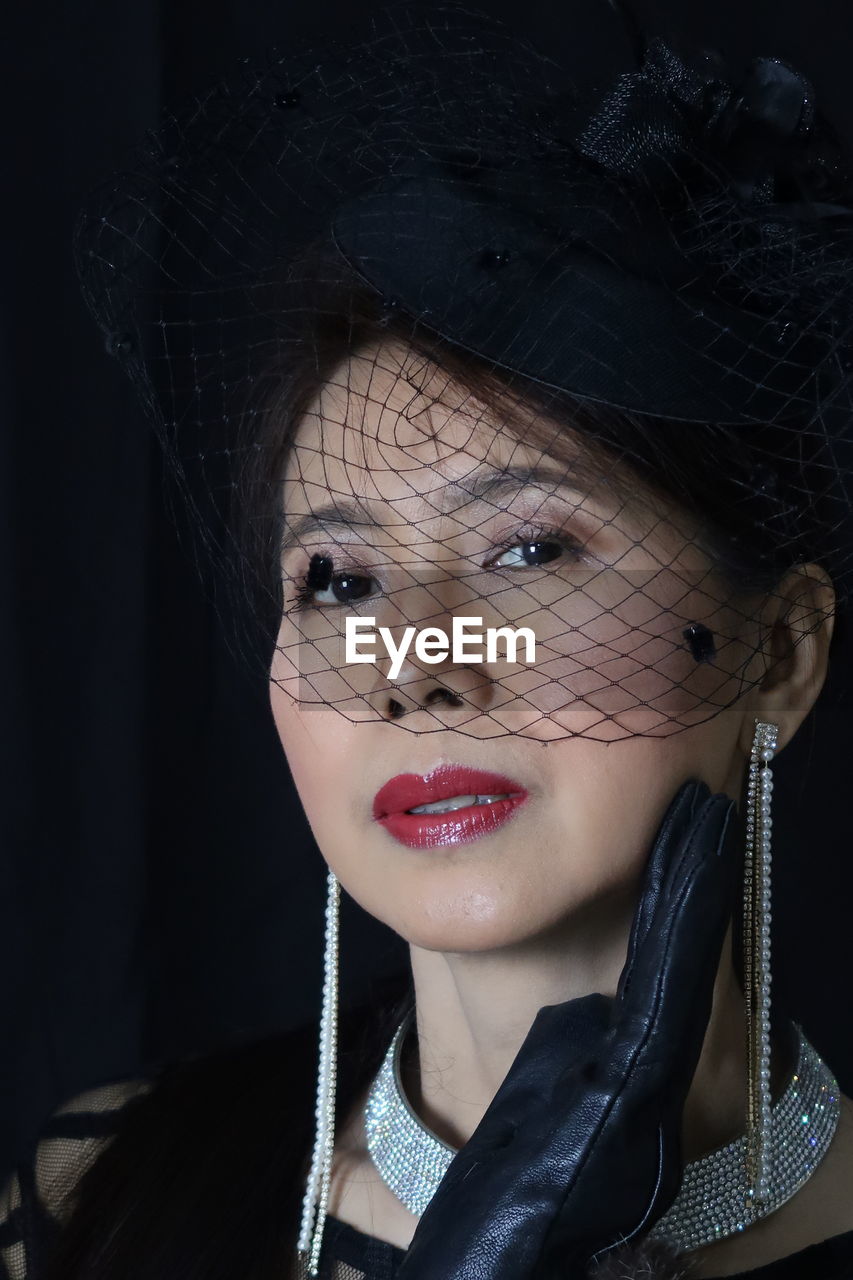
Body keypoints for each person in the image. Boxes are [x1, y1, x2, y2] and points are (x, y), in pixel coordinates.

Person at [3, 3, 853, 1277]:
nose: (417, 663)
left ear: (778, 648)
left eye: (528, 550)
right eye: (338, 579)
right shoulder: (98, 1199)